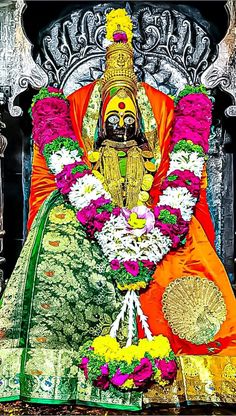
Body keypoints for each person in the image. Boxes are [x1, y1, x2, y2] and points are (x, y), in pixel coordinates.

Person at [0, 8, 235, 410]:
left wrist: (152, 220)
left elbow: (175, 182)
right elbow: (61, 182)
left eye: (130, 116)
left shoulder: (152, 149)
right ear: (97, 120)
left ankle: (187, 375)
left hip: (153, 215)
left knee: (187, 260)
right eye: (114, 115)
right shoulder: (83, 150)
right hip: (90, 212)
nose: (122, 122)